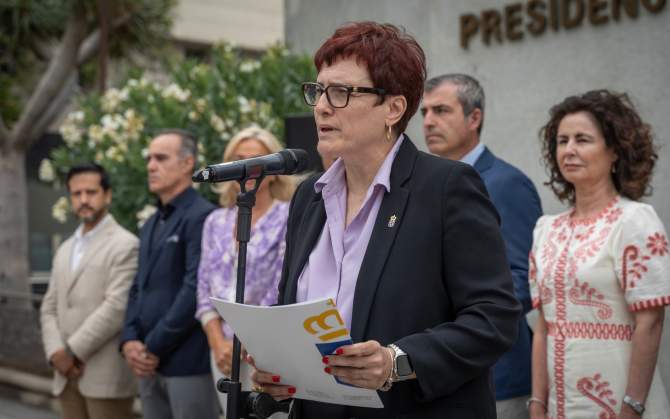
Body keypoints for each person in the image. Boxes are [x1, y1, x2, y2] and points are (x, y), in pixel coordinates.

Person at [250, 21, 521, 418]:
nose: (321, 106)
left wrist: (397, 361)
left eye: (341, 92)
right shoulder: (310, 196)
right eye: (318, 91)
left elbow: (494, 318)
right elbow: (296, 309)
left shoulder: (446, 188)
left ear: (393, 108)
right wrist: (282, 369)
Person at [529, 90, 670, 419]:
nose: (569, 150)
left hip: (619, 399)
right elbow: (543, 327)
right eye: (562, 141)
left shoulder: (634, 221)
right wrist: (537, 403)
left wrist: (632, 407)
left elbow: (650, 321)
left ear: (615, 151)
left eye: (582, 140)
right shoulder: (546, 229)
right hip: (557, 406)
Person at [421, 73, 543, 419]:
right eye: (425, 112)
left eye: (441, 110)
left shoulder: (506, 184)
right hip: (441, 374)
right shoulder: (429, 184)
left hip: (498, 378)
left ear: (474, 118)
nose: (428, 121)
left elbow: (523, 279)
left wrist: (453, 323)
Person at [120, 129, 218, 419]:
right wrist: (129, 339)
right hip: (147, 363)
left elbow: (194, 289)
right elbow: (138, 285)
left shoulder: (203, 216)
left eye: (161, 158)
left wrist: (152, 346)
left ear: (188, 163)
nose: (151, 166)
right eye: (149, 158)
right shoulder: (151, 223)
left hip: (187, 363)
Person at [196, 126, 295, 412]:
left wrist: (245, 341)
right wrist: (218, 342)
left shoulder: (287, 216)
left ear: (274, 171)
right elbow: (203, 288)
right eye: (238, 160)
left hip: (264, 350)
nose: (246, 168)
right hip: (222, 353)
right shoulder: (214, 221)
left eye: (257, 160)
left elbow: (281, 286)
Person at [40, 163, 138, 419]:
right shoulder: (65, 248)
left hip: (105, 376)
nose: (83, 200)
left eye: (91, 192)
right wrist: (55, 353)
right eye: (77, 193)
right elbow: (49, 306)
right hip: (64, 374)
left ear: (107, 195)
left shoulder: (126, 244)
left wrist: (71, 352)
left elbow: (116, 307)